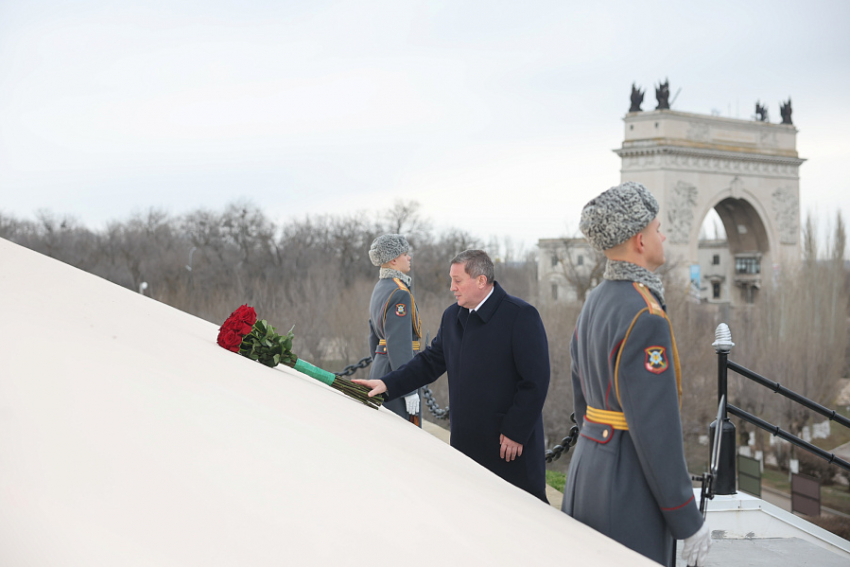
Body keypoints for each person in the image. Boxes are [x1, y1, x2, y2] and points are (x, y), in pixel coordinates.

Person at [562, 182, 711, 567]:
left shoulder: (595, 300)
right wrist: (686, 519)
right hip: (627, 486)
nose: (663, 235)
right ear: (640, 240)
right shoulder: (646, 315)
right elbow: (655, 429)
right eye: (657, 228)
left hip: (587, 473)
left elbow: (583, 401)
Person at [355, 250, 550, 502]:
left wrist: (515, 431)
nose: (451, 287)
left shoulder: (520, 315)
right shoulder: (452, 317)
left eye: (458, 281)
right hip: (466, 444)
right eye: (451, 280)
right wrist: (386, 383)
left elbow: (535, 381)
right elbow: (429, 363)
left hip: (507, 446)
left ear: (481, 280)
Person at [367, 234, 423, 426]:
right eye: (404, 254)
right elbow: (399, 344)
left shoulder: (380, 287)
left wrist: (380, 367)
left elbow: (373, 337)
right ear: (393, 260)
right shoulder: (400, 293)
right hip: (397, 376)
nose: (409, 258)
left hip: (383, 369)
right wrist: (408, 388)